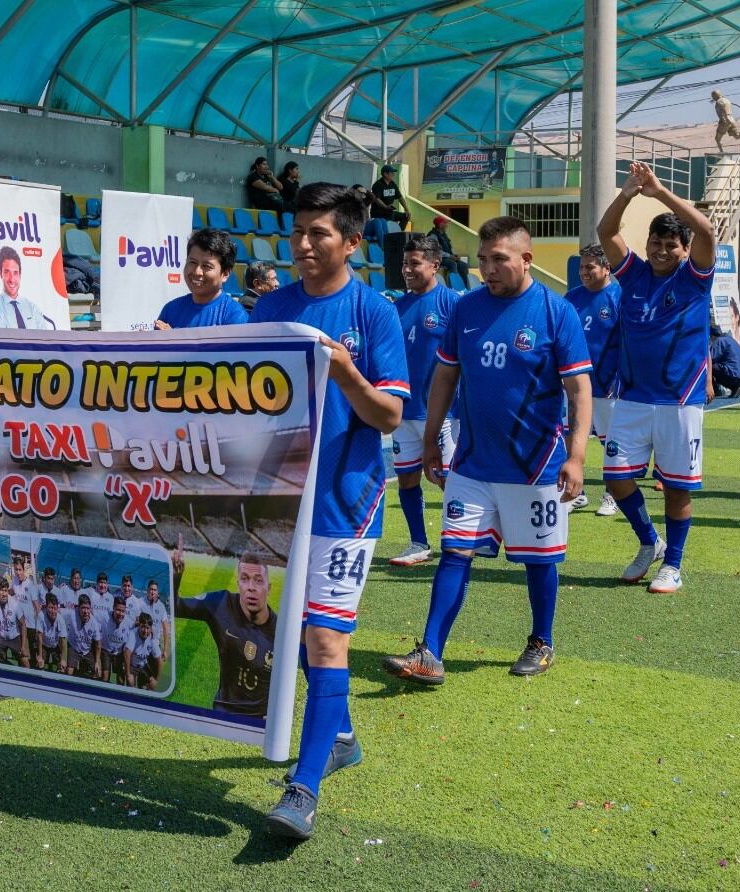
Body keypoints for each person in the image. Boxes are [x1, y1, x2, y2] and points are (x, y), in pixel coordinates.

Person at [249, 182, 408, 840]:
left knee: (324, 638)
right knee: (291, 636)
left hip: (348, 499)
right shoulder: (271, 307)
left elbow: (390, 414)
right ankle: (339, 734)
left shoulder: (373, 314)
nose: (304, 244)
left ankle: (303, 789)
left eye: (319, 234)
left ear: (352, 242)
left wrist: (345, 372)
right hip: (278, 499)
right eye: (298, 233)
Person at [382, 215, 591, 688]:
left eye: (498, 260)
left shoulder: (556, 312)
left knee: (540, 560)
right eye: (481, 260)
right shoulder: (466, 309)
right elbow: (445, 378)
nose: (487, 269)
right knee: (455, 553)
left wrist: (576, 458)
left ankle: (542, 640)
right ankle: (431, 652)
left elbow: (579, 391)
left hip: (534, 465)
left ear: (526, 259)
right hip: (472, 462)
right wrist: (435, 438)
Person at [593, 160, 717, 594]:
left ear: (684, 250)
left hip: (679, 400)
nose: (661, 250)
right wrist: (628, 193)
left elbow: (707, 232)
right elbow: (606, 232)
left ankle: (675, 565)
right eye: (655, 242)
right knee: (616, 477)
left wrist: (661, 191)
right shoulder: (633, 275)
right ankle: (650, 542)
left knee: (675, 488)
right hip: (630, 398)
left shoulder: (695, 280)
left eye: (670, 244)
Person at [388, 235, 462, 566]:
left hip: (442, 414)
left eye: (414, 263)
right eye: (405, 264)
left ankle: (461, 541)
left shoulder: (452, 303)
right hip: (404, 410)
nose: (407, 269)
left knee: (449, 480)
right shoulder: (396, 308)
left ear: (435, 264)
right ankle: (418, 542)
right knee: (407, 477)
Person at [172, 546, 277, 716]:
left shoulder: (281, 631)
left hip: (261, 718)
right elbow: (176, 607)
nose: (251, 587)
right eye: (245, 579)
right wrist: (176, 577)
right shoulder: (221, 604)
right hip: (224, 711)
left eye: (258, 580)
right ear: (238, 584)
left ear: (269, 588)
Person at [563, 244, 623, 516]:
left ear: (606, 267)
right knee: (571, 436)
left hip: (606, 383)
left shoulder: (618, 297)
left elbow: (627, 343)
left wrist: (618, 378)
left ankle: (613, 494)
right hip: (575, 384)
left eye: (590, 267)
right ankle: (577, 492)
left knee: (611, 442)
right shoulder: (571, 297)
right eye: (582, 268)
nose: (584, 273)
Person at [155, 229, 249, 330]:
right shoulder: (170, 310)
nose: (197, 272)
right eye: (192, 262)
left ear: (225, 274)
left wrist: (174, 340)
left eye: (206, 266)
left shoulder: (235, 316)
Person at [0, 245, 53, 330]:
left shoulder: (32, 308)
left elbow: (44, 337)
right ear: (0, 273)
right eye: (7, 272)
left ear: (20, 274)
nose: (12, 279)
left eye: (15, 273)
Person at [0, 576, 28, 667]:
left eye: (5, 590)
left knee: (25, 661)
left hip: (14, 637)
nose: (4, 594)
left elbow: (23, 624)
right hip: (0, 636)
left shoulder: (15, 604)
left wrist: (23, 646)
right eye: (1, 590)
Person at [64, 595, 103, 678]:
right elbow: (57, 610)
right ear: (78, 608)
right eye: (83, 608)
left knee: (98, 673)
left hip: (87, 650)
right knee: (69, 671)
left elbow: (98, 644)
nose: (86, 611)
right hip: (73, 647)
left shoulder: (94, 624)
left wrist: (97, 662)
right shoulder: (71, 614)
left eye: (88, 608)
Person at [428, 216, 471, 284]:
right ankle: (454, 286)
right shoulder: (433, 236)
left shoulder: (444, 235)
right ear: (440, 224)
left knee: (463, 265)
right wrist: (449, 256)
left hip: (447, 258)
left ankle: (465, 288)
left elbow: (449, 248)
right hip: (437, 258)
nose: (447, 225)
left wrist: (454, 255)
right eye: (445, 223)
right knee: (452, 264)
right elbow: (435, 251)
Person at [127, 614, 165, 690]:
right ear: (139, 626)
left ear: (151, 629)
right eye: (143, 627)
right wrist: (128, 674)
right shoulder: (132, 634)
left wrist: (157, 681)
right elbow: (127, 654)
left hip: (143, 665)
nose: (145, 631)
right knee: (130, 686)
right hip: (132, 666)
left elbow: (160, 660)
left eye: (148, 628)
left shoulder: (152, 639)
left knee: (150, 687)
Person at [709, 326, 740, 396]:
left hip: (733, 374)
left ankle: (714, 390)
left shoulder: (719, 341)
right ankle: (735, 388)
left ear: (712, 336)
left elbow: (710, 359)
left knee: (710, 367)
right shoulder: (730, 339)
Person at [368, 164, 410, 231]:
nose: (393, 174)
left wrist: (406, 209)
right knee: (391, 216)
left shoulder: (392, 184)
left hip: (389, 212)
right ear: (385, 174)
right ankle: (391, 236)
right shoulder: (377, 185)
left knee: (406, 216)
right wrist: (385, 207)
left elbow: (400, 197)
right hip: (379, 213)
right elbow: (377, 199)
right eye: (392, 172)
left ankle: (399, 233)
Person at [32, 594, 66, 673]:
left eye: (55, 608)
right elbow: (39, 637)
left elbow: (63, 640)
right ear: (46, 607)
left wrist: (63, 659)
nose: (53, 611)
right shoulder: (41, 615)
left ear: (57, 608)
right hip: (44, 645)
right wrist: (40, 656)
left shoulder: (60, 619)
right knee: (39, 663)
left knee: (63, 667)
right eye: (50, 608)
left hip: (56, 645)